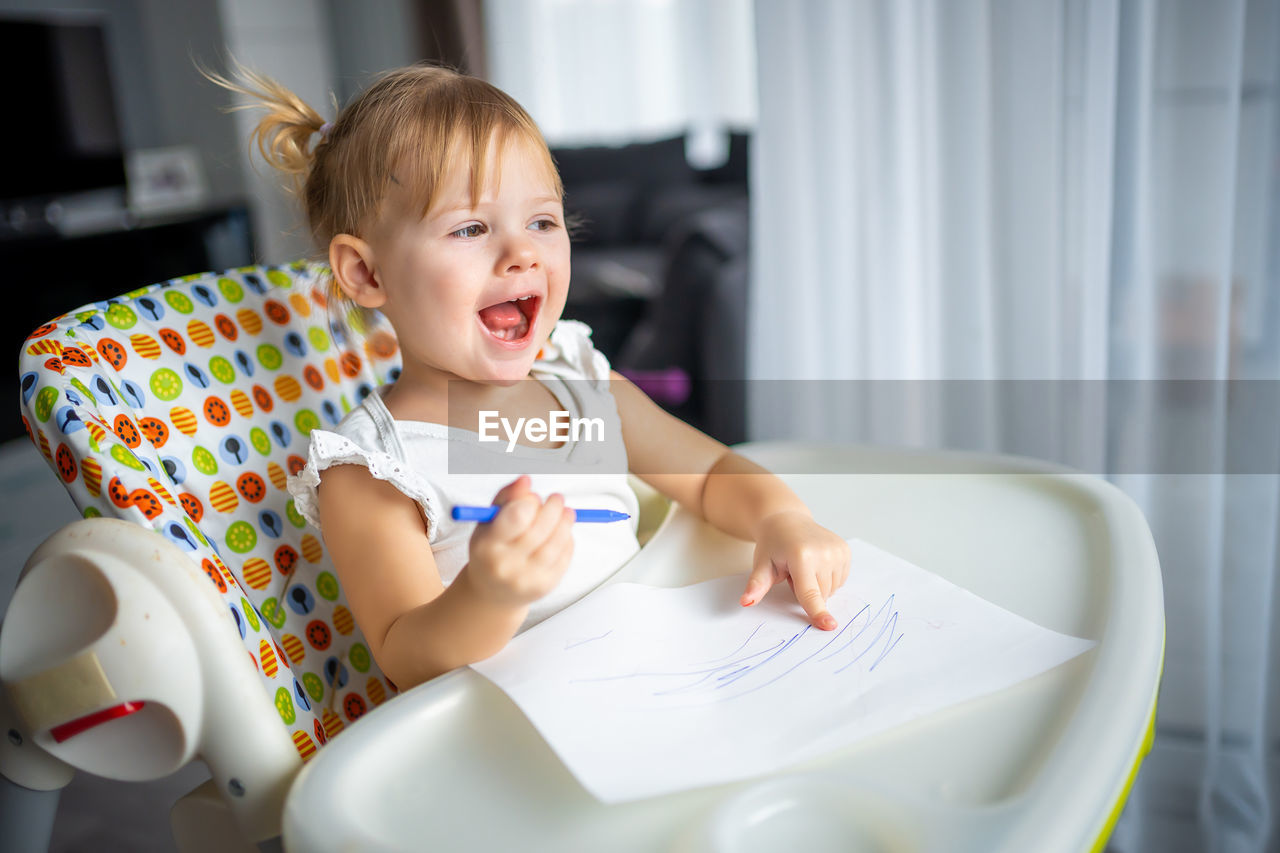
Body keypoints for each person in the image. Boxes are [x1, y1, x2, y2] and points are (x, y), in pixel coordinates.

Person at [209, 61, 851, 692]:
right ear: (367, 275)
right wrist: (489, 595)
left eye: (542, 221)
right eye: (469, 228)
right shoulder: (375, 467)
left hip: (658, 687)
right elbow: (408, 657)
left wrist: (783, 520)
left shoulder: (581, 379)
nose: (522, 253)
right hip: (518, 743)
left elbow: (712, 477)